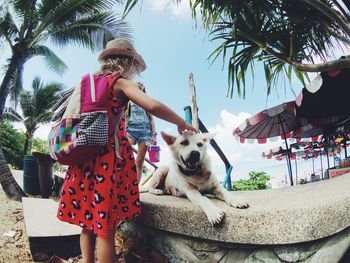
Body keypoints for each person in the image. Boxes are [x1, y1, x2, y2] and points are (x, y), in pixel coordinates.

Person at [56, 38, 197, 263]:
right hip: (107, 161)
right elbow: (151, 105)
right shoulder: (118, 82)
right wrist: (181, 122)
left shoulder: (88, 82)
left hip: (83, 157)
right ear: (128, 63)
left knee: (87, 223)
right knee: (105, 229)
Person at [126, 82, 157, 183]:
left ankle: (136, 188)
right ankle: (124, 183)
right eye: (138, 88)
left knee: (140, 161)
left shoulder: (146, 102)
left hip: (145, 132)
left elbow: (152, 119)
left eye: (141, 88)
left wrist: (154, 135)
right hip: (130, 130)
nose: (139, 90)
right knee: (123, 153)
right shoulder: (129, 100)